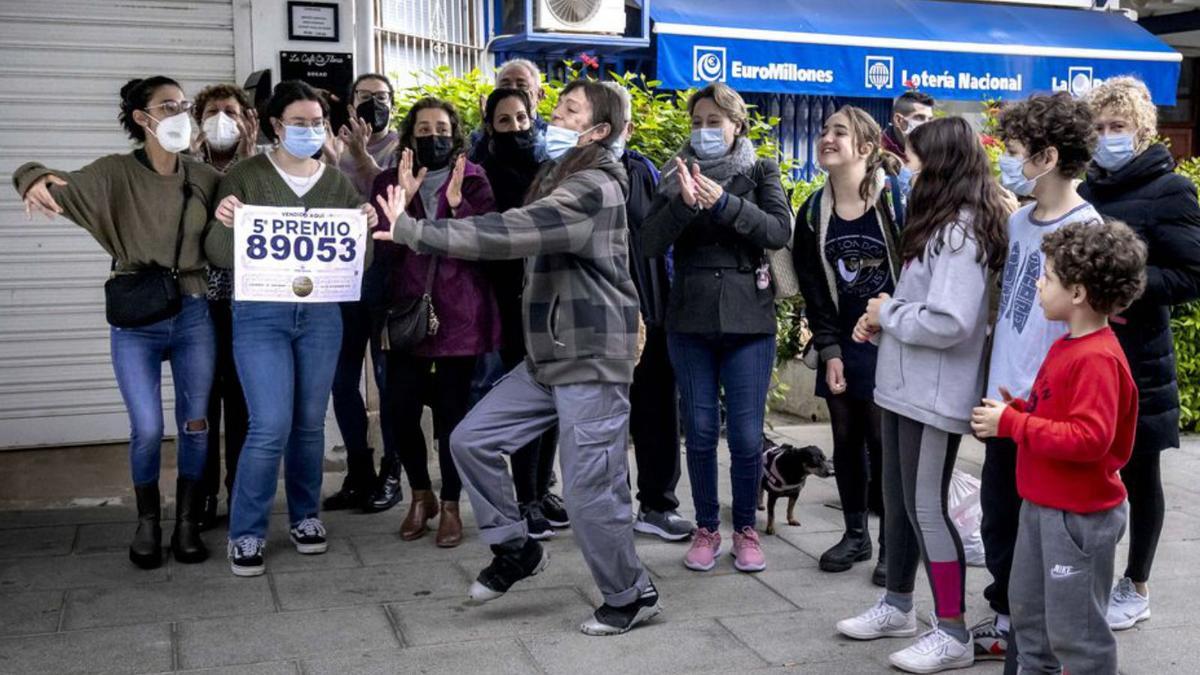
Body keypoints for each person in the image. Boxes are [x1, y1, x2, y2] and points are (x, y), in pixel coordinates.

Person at [374, 79, 660, 636]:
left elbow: (511, 232)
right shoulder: (559, 176)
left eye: (569, 110)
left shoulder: (594, 187)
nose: (553, 116)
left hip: (591, 359)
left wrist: (416, 230)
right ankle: (516, 549)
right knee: (470, 440)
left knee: (588, 490)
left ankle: (631, 594)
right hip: (550, 357)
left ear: (598, 131)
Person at [13, 76, 221, 569]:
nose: (179, 114)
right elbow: (44, 177)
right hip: (137, 316)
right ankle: (148, 521)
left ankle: (187, 523)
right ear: (141, 119)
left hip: (193, 311)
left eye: (183, 105)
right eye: (167, 106)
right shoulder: (113, 174)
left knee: (195, 425)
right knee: (147, 428)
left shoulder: (205, 178)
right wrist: (31, 177)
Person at [837, 117, 1009, 674]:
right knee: (900, 501)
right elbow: (925, 304)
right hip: (904, 385)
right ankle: (897, 605)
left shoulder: (960, 230)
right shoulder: (939, 223)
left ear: (939, 165)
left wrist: (889, 312)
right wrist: (884, 316)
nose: (903, 168)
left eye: (910, 159)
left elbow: (952, 320)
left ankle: (953, 630)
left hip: (935, 393)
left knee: (926, 508)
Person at [205, 80, 378, 577]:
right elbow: (218, 254)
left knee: (308, 422)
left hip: (321, 317)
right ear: (277, 126)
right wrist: (223, 222)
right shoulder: (245, 175)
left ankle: (306, 517)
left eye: (316, 122)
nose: (309, 130)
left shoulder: (337, 183)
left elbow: (358, 264)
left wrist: (363, 228)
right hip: (260, 315)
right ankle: (246, 531)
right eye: (298, 122)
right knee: (269, 423)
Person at [971, 218, 1146, 675]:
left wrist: (1015, 424)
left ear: (1078, 293)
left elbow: (1090, 439)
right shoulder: (1069, 345)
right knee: (1030, 620)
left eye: (1046, 276)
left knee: (1078, 636)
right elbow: (1062, 413)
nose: (1037, 281)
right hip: (1042, 506)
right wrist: (1026, 408)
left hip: (1078, 519)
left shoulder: (1097, 359)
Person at [969, 93, 1100, 663]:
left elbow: (1084, 329)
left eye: (1016, 150)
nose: (1005, 159)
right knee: (998, 517)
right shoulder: (1020, 219)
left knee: (1038, 527)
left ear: (1047, 157)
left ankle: (1039, 630)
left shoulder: (1086, 226)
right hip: (1004, 399)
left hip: (1044, 408)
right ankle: (1009, 617)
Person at [642, 83, 792, 573]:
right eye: (698, 122)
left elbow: (777, 230)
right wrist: (685, 203)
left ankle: (746, 528)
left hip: (749, 320)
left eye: (714, 122)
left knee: (747, 437)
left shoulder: (760, 169)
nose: (705, 131)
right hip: (690, 320)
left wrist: (724, 201)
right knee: (702, 431)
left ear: (736, 125)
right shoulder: (674, 173)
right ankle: (706, 527)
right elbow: (647, 241)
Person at [1077, 76, 1200, 631]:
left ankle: (1138, 582)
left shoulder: (1171, 189)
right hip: (1084, 351)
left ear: (1143, 129)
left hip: (1138, 355)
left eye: (1118, 127)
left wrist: (1118, 280)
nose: (1108, 137)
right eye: (1099, 128)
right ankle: (1085, 571)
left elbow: (1190, 273)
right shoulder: (1087, 187)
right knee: (1087, 465)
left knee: (1139, 473)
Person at [371, 97, 501, 548]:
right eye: (423, 129)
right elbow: (381, 251)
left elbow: (483, 244)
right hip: (407, 311)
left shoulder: (475, 178)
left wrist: (457, 205)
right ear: (410, 135)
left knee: (452, 414)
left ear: (456, 133)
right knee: (401, 409)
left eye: (441, 128)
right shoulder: (388, 180)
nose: (433, 137)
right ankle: (419, 494)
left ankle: (450, 503)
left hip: (460, 311)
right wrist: (401, 206)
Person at [794, 106, 903, 583]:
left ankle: (891, 545)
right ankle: (855, 535)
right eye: (823, 131)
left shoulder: (896, 202)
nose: (826, 138)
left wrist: (896, 322)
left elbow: (919, 268)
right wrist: (830, 351)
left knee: (884, 441)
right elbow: (815, 291)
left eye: (839, 132)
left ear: (865, 147)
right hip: (843, 340)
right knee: (846, 440)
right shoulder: (813, 212)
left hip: (894, 339)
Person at [600, 81, 693, 542]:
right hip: (598, 319)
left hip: (649, 311)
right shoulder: (566, 172)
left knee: (657, 411)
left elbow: (661, 239)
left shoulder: (643, 171)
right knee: (603, 419)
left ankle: (657, 505)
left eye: (619, 121)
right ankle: (607, 508)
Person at [474, 87, 566, 539]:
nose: (515, 127)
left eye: (522, 119)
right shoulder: (482, 171)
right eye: (504, 120)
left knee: (552, 398)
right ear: (490, 124)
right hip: (507, 300)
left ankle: (542, 488)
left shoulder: (551, 168)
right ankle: (524, 498)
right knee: (527, 396)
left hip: (552, 297)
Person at [323, 72, 407, 514]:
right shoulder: (328, 145)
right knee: (341, 379)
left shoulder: (402, 148)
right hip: (340, 277)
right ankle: (359, 468)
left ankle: (393, 471)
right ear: (350, 103)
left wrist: (358, 155)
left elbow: (393, 201)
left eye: (382, 97)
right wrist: (336, 156)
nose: (374, 103)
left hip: (386, 277)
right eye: (365, 97)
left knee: (387, 377)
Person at [189, 83, 259, 529]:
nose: (222, 119)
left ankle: (237, 493)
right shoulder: (185, 171)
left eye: (231, 111)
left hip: (247, 306)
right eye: (212, 111)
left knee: (241, 404)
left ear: (246, 118)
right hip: (198, 305)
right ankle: (201, 496)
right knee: (200, 404)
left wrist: (251, 160)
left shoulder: (261, 168)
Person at [467, 59, 549, 166]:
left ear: (539, 94)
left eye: (521, 86)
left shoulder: (550, 137)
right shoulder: (478, 137)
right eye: (505, 86)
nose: (513, 91)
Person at [881, 91, 935, 197]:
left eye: (930, 119)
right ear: (898, 120)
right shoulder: (877, 151)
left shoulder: (934, 153)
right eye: (920, 118)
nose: (927, 125)